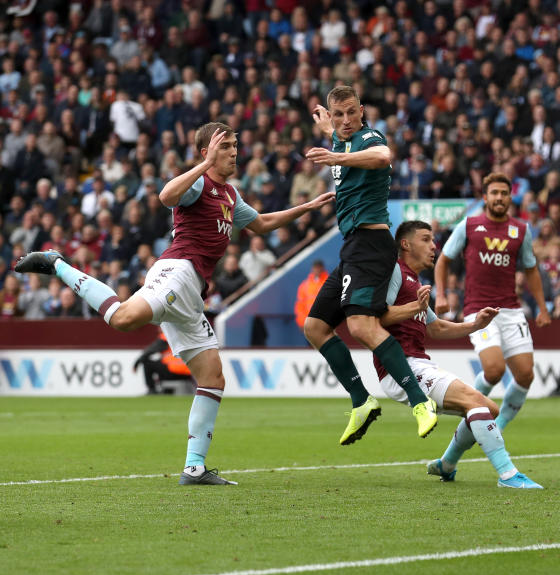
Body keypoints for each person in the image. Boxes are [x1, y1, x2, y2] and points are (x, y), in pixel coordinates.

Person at [15, 122, 334, 485]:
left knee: (213, 375)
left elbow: (261, 224)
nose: (234, 152)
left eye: (233, 146)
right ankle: (57, 264)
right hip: (177, 272)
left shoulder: (229, 195)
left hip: (192, 294)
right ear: (206, 152)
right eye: (226, 146)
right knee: (122, 319)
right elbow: (166, 196)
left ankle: (194, 468)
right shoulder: (199, 183)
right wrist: (204, 165)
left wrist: (307, 206)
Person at [302, 85, 439, 445]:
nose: (346, 121)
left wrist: (336, 158)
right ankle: (361, 400)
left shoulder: (368, 137)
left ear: (362, 111)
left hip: (372, 244)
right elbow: (339, 136)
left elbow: (382, 156)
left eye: (352, 112)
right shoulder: (341, 138)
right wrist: (329, 133)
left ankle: (420, 402)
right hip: (353, 247)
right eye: (338, 115)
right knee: (315, 326)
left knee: (362, 326)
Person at [382, 220, 542, 488]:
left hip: (419, 363)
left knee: (488, 408)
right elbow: (377, 316)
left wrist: (476, 325)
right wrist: (412, 308)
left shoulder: (414, 281)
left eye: (433, 240)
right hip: (402, 368)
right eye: (426, 240)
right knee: (477, 404)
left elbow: (437, 327)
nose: (434, 246)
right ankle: (508, 475)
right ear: (406, 244)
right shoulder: (395, 273)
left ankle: (447, 464)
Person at [432, 172, 552, 470]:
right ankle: (471, 405)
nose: (499, 198)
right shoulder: (470, 226)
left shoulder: (520, 231)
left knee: (525, 375)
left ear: (510, 197)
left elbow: (532, 269)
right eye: (494, 193)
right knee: (495, 369)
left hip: (510, 311)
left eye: (504, 193)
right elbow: (444, 259)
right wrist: (442, 294)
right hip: (477, 309)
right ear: (484, 197)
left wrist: (542, 307)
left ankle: (494, 424)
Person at [134, 330, 193, 394]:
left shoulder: (166, 336)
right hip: (188, 373)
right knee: (160, 363)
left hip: (173, 371)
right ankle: (166, 391)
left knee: (148, 363)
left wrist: (137, 362)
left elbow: (150, 351)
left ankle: (152, 390)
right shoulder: (185, 334)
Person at [294, 260, 327, 329]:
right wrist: (302, 322)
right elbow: (300, 305)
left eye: (319, 267)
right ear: (312, 269)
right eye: (315, 268)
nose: (317, 270)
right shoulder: (305, 285)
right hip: (309, 323)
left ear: (322, 268)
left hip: (325, 323)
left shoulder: (329, 282)